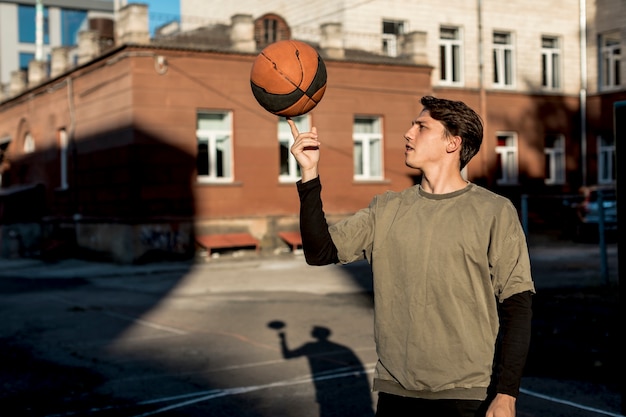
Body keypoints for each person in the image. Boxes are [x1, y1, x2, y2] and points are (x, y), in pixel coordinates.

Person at [288, 95, 535, 417]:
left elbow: (518, 306)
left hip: (468, 394)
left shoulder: (494, 212)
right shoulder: (387, 208)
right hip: (395, 390)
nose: (408, 133)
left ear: (453, 143)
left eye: (421, 127)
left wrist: (506, 394)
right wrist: (310, 174)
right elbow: (319, 252)